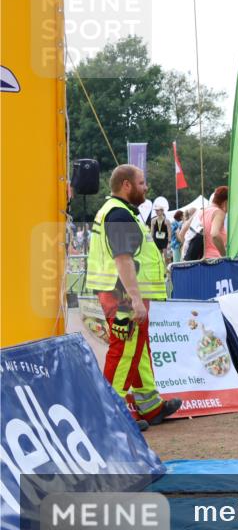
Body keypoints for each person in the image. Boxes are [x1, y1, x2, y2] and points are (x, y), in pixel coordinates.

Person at [85, 165, 182, 431]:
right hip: (122, 295)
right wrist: (136, 299)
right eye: (142, 182)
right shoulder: (119, 214)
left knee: (138, 350)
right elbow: (123, 258)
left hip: (121, 292)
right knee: (124, 351)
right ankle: (110, 416)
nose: (146, 187)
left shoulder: (121, 212)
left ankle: (151, 406)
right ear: (126, 185)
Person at [201, 186, 228, 259]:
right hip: (214, 260)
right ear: (225, 202)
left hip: (200, 259)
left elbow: (182, 234)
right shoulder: (219, 213)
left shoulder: (201, 211)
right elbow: (214, 235)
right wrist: (224, 256)